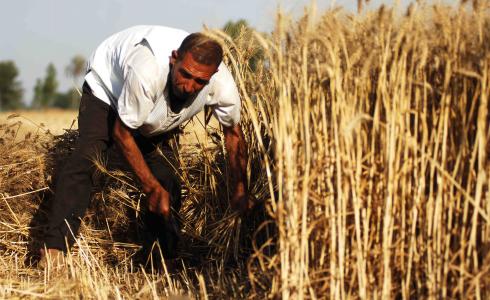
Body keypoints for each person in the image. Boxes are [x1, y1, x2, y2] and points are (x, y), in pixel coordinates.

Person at [40, 25, 250, 266]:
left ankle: (158, 260)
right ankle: (54, 250)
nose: (190, 86)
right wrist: (149, 187)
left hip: (151, 110)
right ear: (174, 59)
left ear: (212, 75)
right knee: (89, 157)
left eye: (199, 81)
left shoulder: (221, 84)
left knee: (166, 179)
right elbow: (122, 132)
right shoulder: (147, 70)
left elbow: (233, 134)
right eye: (185, 75)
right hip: (108, 90)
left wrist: (239, 190)